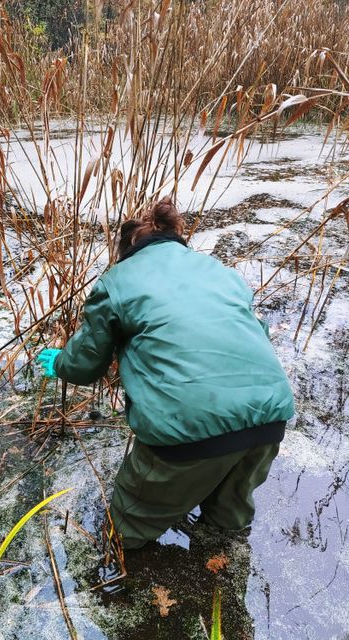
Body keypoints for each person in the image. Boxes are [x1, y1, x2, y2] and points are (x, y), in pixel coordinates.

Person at [37, 197, 294, 550]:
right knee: (228, 521)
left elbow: (85, 365)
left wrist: (61, 363)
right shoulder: (219, 270)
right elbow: (257, 334)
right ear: (176, 237)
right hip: (270, 417)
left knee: (126, 525)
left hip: (186, 429)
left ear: (127, 247)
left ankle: (120, 576)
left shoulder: (117, 280)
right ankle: (221, 579)